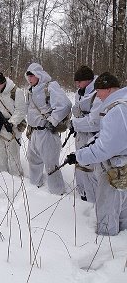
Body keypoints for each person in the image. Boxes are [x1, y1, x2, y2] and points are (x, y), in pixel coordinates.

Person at [65, 72, 127, 236]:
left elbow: (105, 149)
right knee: (122, 209)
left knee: (107, 209)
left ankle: (106, 246)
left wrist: (79, 156)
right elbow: (113, 136)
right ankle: (120, 241)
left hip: (115, 169)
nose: (97, 95)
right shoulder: (123, 104)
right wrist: (94, 141)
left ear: (107, 89)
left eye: (98, 91)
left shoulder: (116, 110)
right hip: (122, 167)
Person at [25, 63, 72, 195]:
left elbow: (65, 105)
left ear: (38, 74)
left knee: (51, 163)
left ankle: (57, 192)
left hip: (47, 132)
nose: (29, 78)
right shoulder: (30, 90)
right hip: (34, 131)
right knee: (33, 159)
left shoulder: (50, 87)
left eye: (32, 75)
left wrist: (53, 121)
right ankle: (35, 186)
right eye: (28, 76)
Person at [71, 65, 102, 202]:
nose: (77, 84)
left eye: (80, 81)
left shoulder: (98, 94)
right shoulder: (80, 92)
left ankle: (94, 199)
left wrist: (75, 123)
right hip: (80, 134)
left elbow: (94, 121)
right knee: (80, 164)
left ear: (88, 80)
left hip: (92, 136)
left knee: (91, 169)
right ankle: (83, 192)